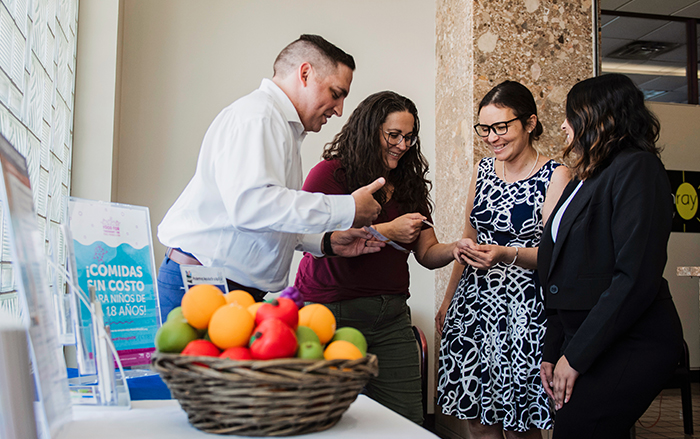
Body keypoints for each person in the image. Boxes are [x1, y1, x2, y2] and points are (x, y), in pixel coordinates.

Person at [156, 34, 386, 322]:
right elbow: (252, 207)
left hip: (226, 290)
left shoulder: (277, 124)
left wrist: (326, 242)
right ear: (305, 73)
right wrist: (348, 208)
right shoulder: (259, 117)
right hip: (204, 288)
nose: (339, 110)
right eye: (335, 93)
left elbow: (267, 218)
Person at [295, 91, 469, 425]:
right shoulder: (331, 175)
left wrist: (455, 249)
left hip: (390, 319)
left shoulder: (409, 183)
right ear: (369, 130)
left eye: (409, 137)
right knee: (329, 421)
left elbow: (427, 253)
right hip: (331, 314)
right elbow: (306, 239)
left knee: (406, 422)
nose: (402, 145)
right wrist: (388, 230)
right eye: (393, 135)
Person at [538, 74, 683, 439]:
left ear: (599, 116)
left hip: (633, 341)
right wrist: (553, 351)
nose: (562, 124)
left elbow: (634, 276)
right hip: (584, 338)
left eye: (570, 115)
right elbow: (560, 273)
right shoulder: (587, 175)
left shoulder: (638, 168)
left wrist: (577, 356)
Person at [436, 81, 570, 438]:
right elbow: (469, 242)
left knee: (521, 428)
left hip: (525, 313)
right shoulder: (482, 171)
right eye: (485, 129)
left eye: (501, 127)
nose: (493, 138)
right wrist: (449, 300)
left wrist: (506, 255)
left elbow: (557, 256)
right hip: (474, 308)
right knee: (478, 423)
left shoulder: (555, 175)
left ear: (529, 123)